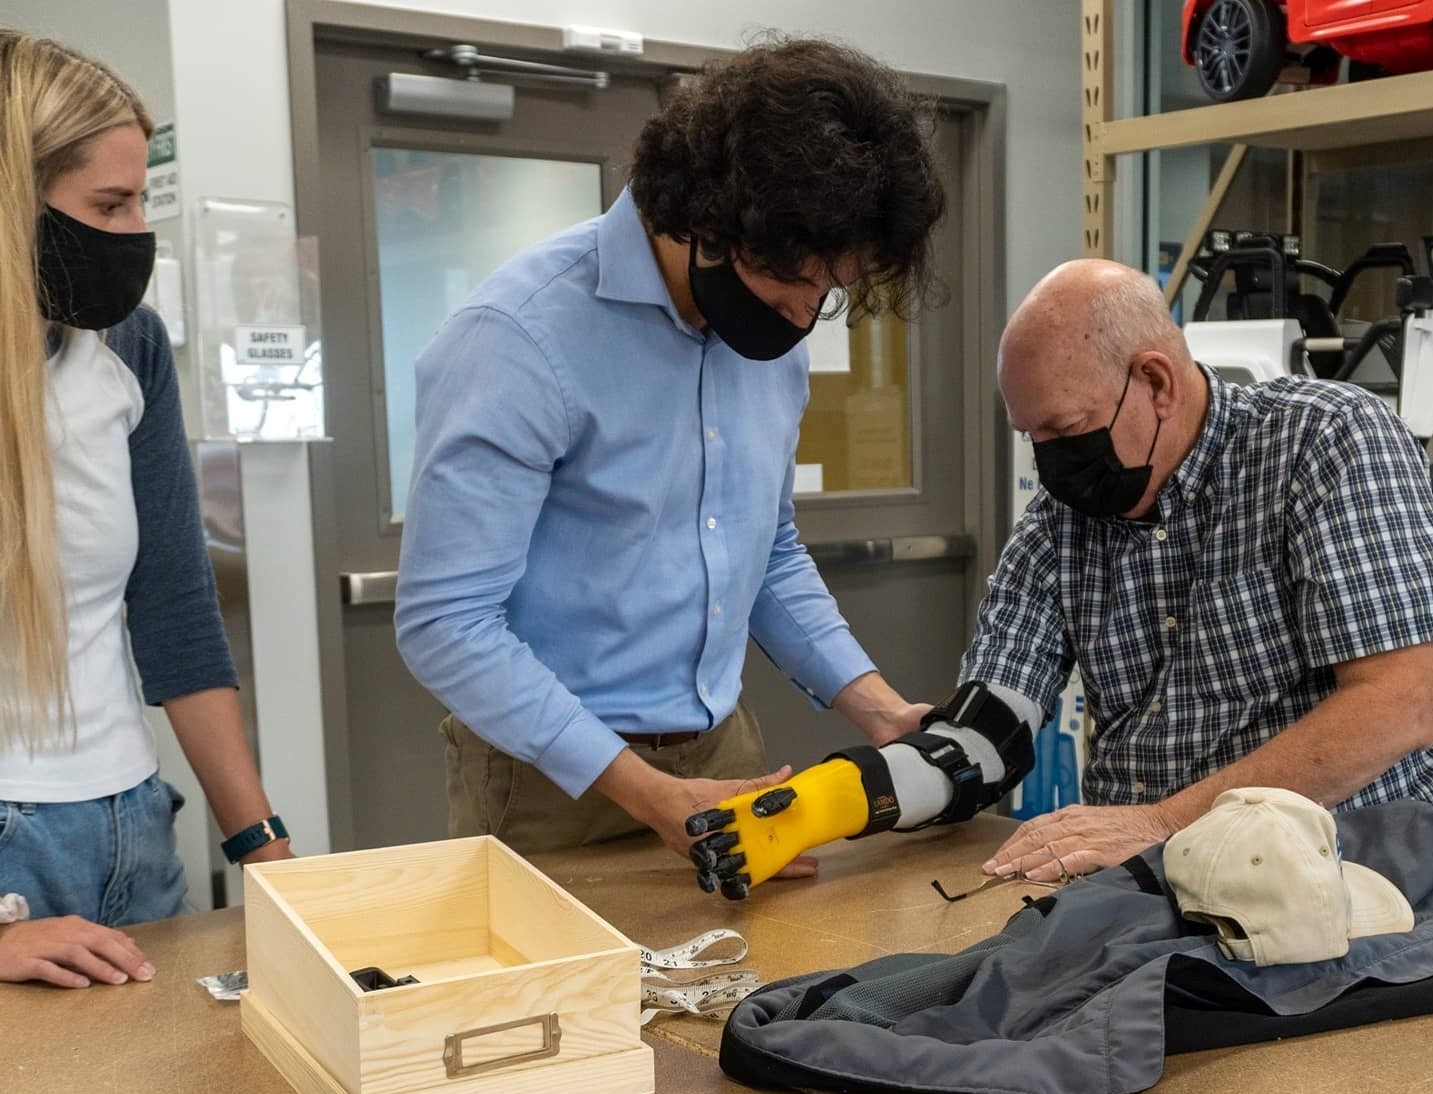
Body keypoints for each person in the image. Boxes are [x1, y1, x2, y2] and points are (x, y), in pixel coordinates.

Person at [686, 258, 1433, 897]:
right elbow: (987, 732)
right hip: (1147, 884)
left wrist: (1161, 820)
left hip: (1342, 881)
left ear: (1155, 383)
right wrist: (828, 801)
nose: (1050, 465)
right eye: (1031, 438)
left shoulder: (1325, 442)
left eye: (1066, 432)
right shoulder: (1062, 520)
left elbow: (1401, 699)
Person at [394, 37, 947, 867]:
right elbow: (444, 621)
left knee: (750, 991)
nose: (804, 316)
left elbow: (765, 548)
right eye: (792, 282)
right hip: (549, 779)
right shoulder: (516, 340)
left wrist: (873, 704)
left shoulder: (770, 335)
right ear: (706, 222)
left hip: (723, 751)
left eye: (829, 290)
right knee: (574, 998)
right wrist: (646, 791)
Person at [0, 29, 291, 989]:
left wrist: (260, 843)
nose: (134, 237)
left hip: (132, 819)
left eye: (142, 203)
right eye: (107, 205)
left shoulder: (129, 342)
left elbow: (172, 606)